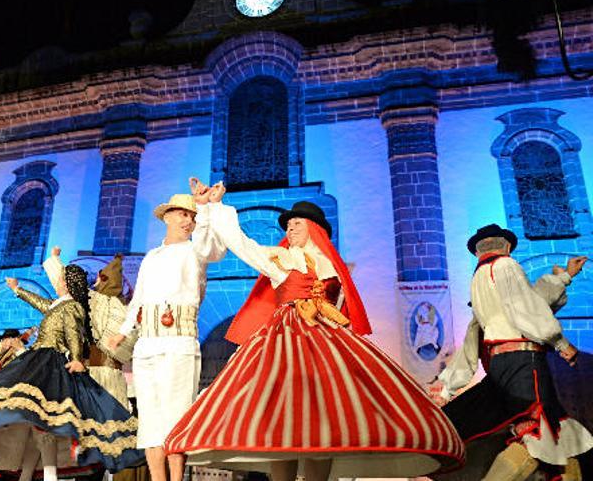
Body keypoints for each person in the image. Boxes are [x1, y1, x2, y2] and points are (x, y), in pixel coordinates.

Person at [164, 182, 464, 481]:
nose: (290, 229)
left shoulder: (331, 267)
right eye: (288, 225)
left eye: (297, 223)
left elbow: (340, 307)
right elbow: (241, 244)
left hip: (326, 341)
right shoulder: (283, 259)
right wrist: (213, 207)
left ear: (314, 228)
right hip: (286, 341)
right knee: (285, 419)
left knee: (324, 419)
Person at [0, 265, 143, 481]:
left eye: (60, 281)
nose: (56, 284)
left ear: (67, 284)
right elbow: (41, 304)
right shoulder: (59, 306)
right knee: (32, 427)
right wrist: (18, 290)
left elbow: (74, 333)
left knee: (43, 425)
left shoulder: (72, 307)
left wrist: (77, 359)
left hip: (51, 363)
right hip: (39, 358)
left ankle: (48, 476)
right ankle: (28, 476)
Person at [429, 224, 593, 481]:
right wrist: (561, 343)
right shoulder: (506, 266)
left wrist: (564, 277)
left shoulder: (480, 282)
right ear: (505, 246)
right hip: (523, 363)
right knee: (537, 433)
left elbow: (527, 302)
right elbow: (527, 308)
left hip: (503, 365)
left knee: (554, 436)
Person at [105, 182, 226, 481]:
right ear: (168, 216)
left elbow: (213, 248)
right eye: (183, 214)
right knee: (150, 420)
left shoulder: (195, 249)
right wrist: (122, 331)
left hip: (179, 341)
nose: (188, 220)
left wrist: (207, 208)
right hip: (147, 343)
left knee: (176, 415)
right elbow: (139, 298)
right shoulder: (152, 257)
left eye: (191, 216)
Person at [44, 247, 132, 410]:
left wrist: (54, 258)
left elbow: (66, 281)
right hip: (110, 374)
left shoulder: (94, 301)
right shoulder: (123, 310)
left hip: (91, 374)